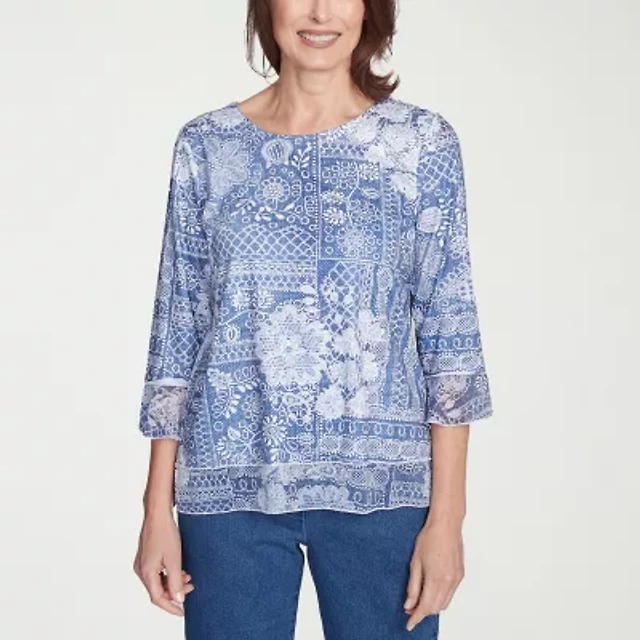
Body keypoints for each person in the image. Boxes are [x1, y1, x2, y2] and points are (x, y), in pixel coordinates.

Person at [132, 1, 494, 638]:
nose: (320, 12)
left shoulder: (420, 144)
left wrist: (448, 519)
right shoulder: (207, 146)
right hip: (228, 489)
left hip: (384, 494)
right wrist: (155, 507)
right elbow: (178, 329)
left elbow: (450, 337)